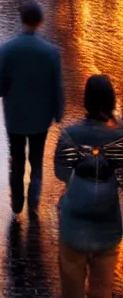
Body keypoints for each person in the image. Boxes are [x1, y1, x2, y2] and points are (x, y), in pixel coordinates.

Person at [0, 0, 64, 220]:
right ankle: (34, 198)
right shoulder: (51, 52)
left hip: (14, 117)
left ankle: (16, 201)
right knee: (37, 157)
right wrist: (58, 112)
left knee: (16, 157)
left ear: (22, 20)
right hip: (41, 118)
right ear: (40, 21)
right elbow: (57, 87)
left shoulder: (6, 50)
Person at [54, 75, 123, 298]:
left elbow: (60, 171)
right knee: (102, 289)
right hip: (108, 225)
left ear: (87, 101)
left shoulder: (70, 134)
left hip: (74, 225)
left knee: (71, 289)